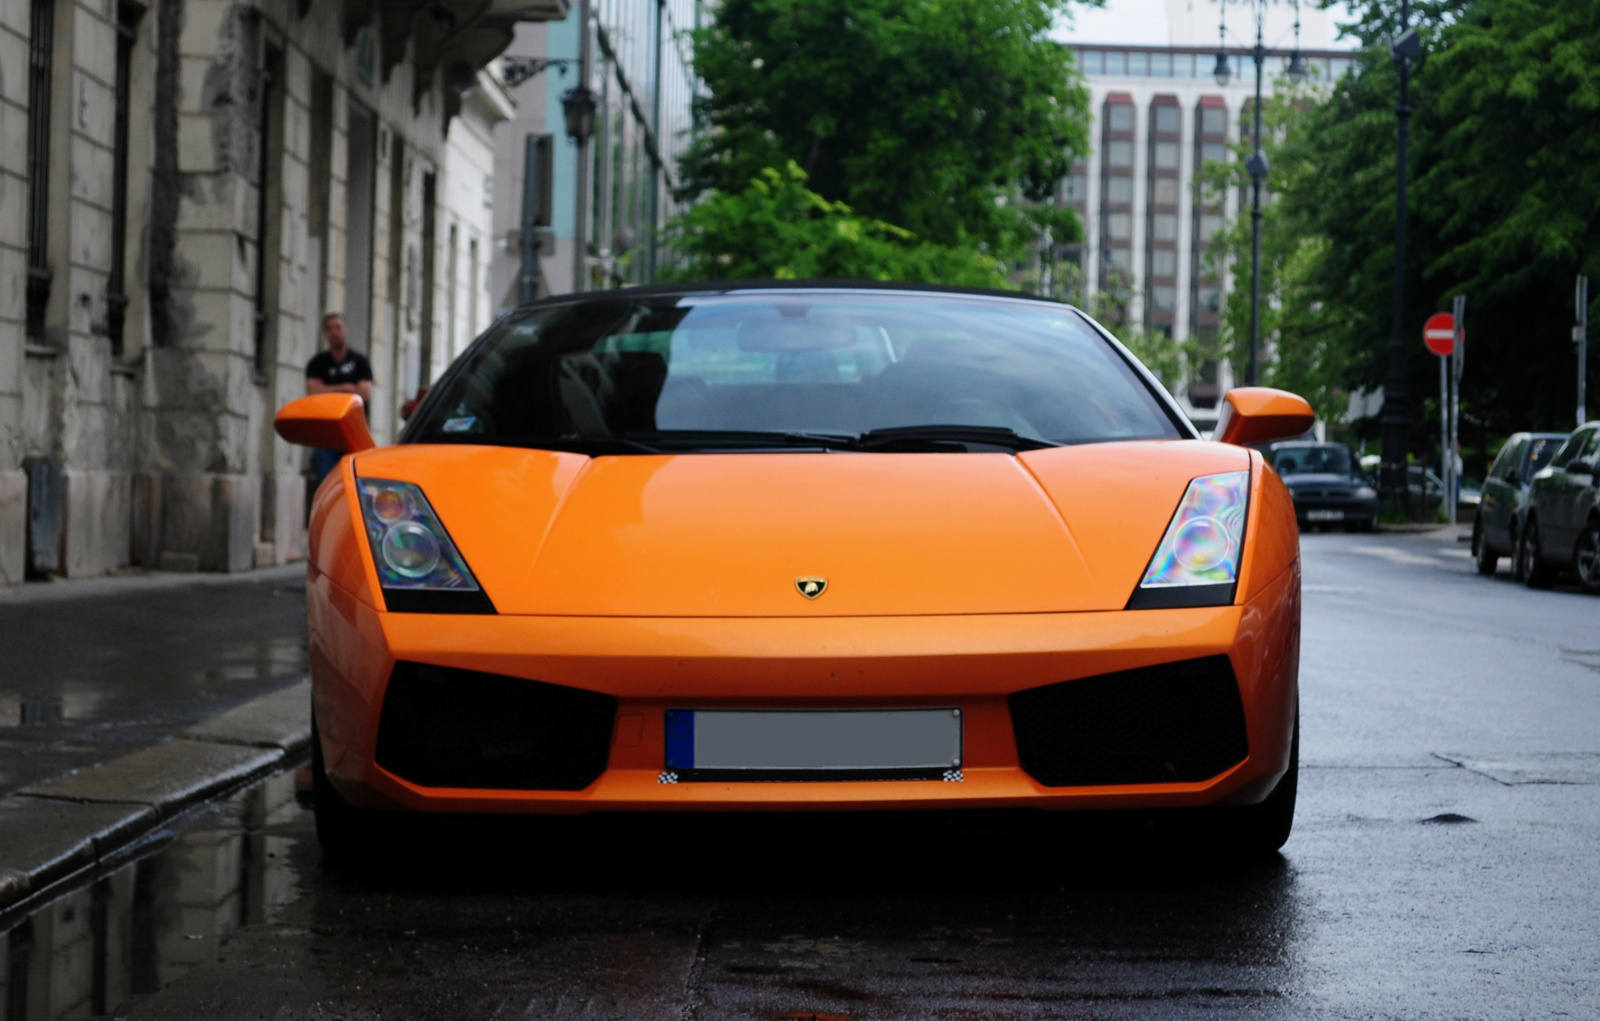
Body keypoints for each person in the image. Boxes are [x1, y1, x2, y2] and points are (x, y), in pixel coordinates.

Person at [304, 313, 374, 487]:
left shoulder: (360, 362)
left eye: (338, 327)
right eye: (329, 328)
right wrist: (347, 388)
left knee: (355, 481)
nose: (334, 332)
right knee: (327, 483)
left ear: (346, 330)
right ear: (325, 333)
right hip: (326, 434)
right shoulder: (317, 363)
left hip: (354, 431)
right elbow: (313, 392)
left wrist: (327, 390)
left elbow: (365, 393)